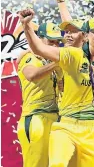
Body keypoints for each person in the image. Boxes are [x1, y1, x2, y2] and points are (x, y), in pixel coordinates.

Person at [19, 8, 94, 167]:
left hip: (93, 125)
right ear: (88, 36)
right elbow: (38, 54)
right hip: (58, 121)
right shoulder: (71, 56)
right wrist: (27, 26)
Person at [17, 22, 63, 167]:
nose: (54, 46)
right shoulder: (31, 57)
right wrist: (57, 63)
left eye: (57, 42)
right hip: (36, 118)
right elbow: (31, 75)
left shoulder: (52, 62)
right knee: (36, 164)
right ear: (39, 40)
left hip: (55, 118)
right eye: (50, 41)